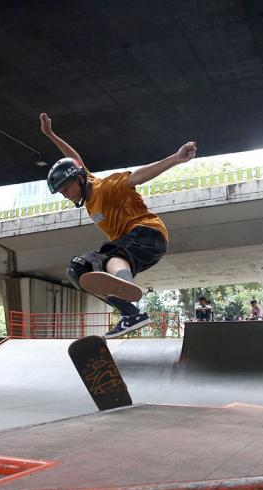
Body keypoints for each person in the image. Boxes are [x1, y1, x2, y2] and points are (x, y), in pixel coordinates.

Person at [40, 112, 197, 338]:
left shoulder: (107, 187)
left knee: (112, 255)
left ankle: (124, 286)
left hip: (148, 232)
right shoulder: (87, 182)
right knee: (78, 269)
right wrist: (51, 135)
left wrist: (175, 158)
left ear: (79, 180)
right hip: (134, 243)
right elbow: (74, 160)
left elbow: (138, 176)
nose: (65, 195)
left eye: (66, 190)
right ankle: (131, 314)